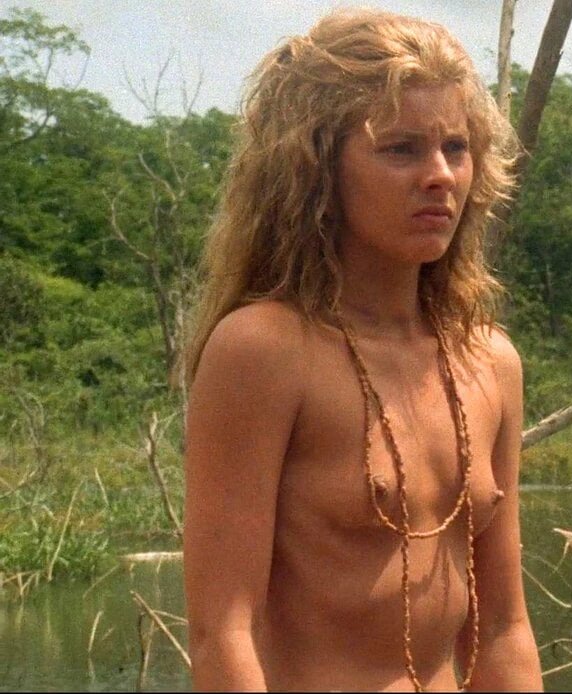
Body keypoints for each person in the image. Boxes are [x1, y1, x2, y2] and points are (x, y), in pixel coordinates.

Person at [181, 9, 541, 691]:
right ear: (316, 169)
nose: (440, 175)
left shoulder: (489, 361)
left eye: (456, 147)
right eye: (401, 149)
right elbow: (223, 633)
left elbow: (502, 629)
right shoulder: (266, 350)